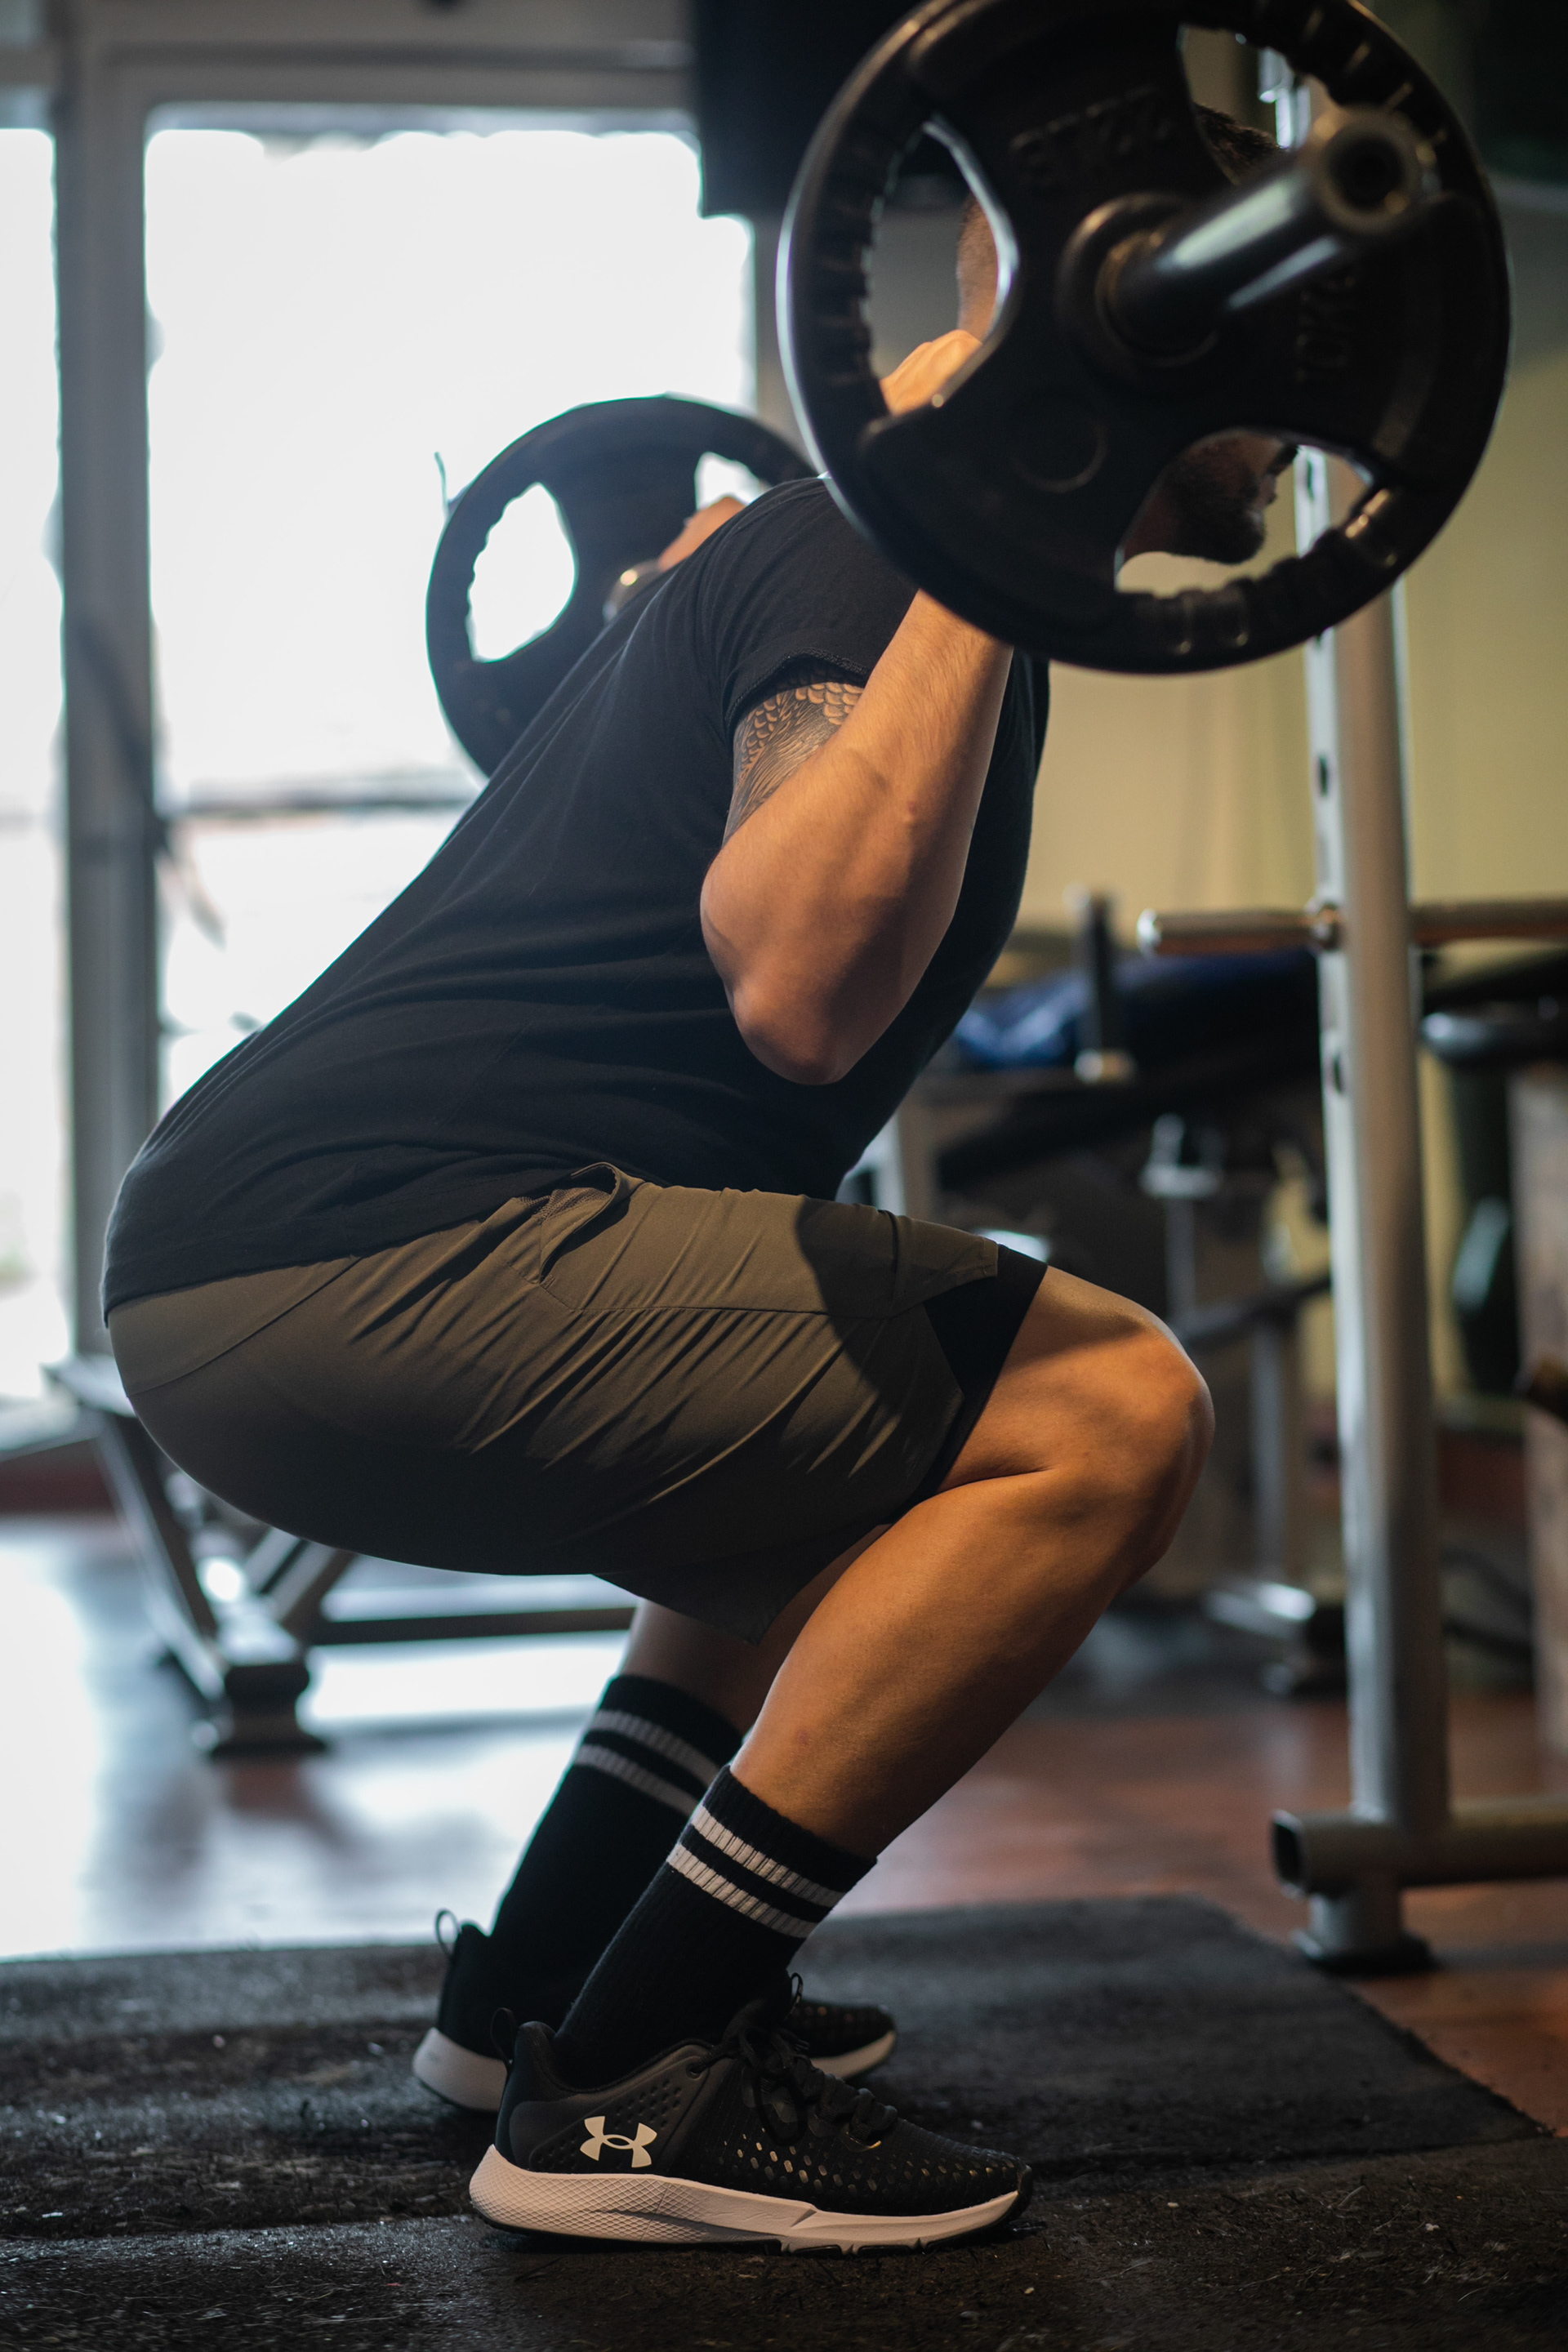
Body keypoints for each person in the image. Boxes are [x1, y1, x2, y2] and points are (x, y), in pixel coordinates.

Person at [106, 108, 1285, 2250]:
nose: (1319, 407)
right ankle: (639, 2087)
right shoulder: (869, 551)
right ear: (1138, 339)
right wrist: (986, 507)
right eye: (1277, 326)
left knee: (835, 1458)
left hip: (254, 1258)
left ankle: (537, 1998)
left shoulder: (854, 558)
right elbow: (803, 983)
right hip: (347, 1255)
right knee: (1113, 1405)